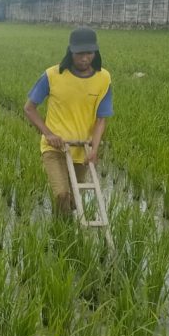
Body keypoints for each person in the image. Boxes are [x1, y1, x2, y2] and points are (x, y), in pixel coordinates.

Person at [24, 27, 113, 217]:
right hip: (55, 148)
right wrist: (49, 134)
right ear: (70, 52)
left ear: (95, 53)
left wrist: (95, 148)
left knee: (73, 199)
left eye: (89, 53)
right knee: (62, 194)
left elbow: (101, 119)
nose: (84, 58)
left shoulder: (103, 78)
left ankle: (64, 229)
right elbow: (29, 108)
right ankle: (61, 233)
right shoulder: (52, 76)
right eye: (79, 54)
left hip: (83, 150)